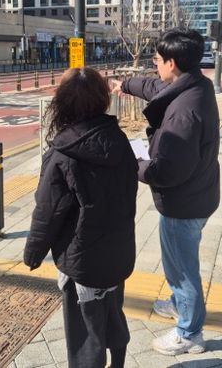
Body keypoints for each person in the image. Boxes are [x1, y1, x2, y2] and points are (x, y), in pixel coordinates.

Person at [111, 27, 220, 356]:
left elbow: (166, 171)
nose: (154, 65)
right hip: (197, 193)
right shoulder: (195, 84)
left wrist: (132, 163)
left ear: (172, 63)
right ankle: (179, 304)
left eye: (157, 60)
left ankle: (189, 333)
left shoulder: (183, 114)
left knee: (182, 270)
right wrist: (124, 85)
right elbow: (154, 87)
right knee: (180, 262)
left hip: (183, 203)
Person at [24, 67, 138, 368]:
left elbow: (48, 210)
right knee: (112, 311)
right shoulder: (119, 140)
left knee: (85, 333)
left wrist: (33, 253)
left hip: (82, 261)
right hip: (119, 254)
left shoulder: (63, 153)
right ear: (102, 100)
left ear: (62, 103)